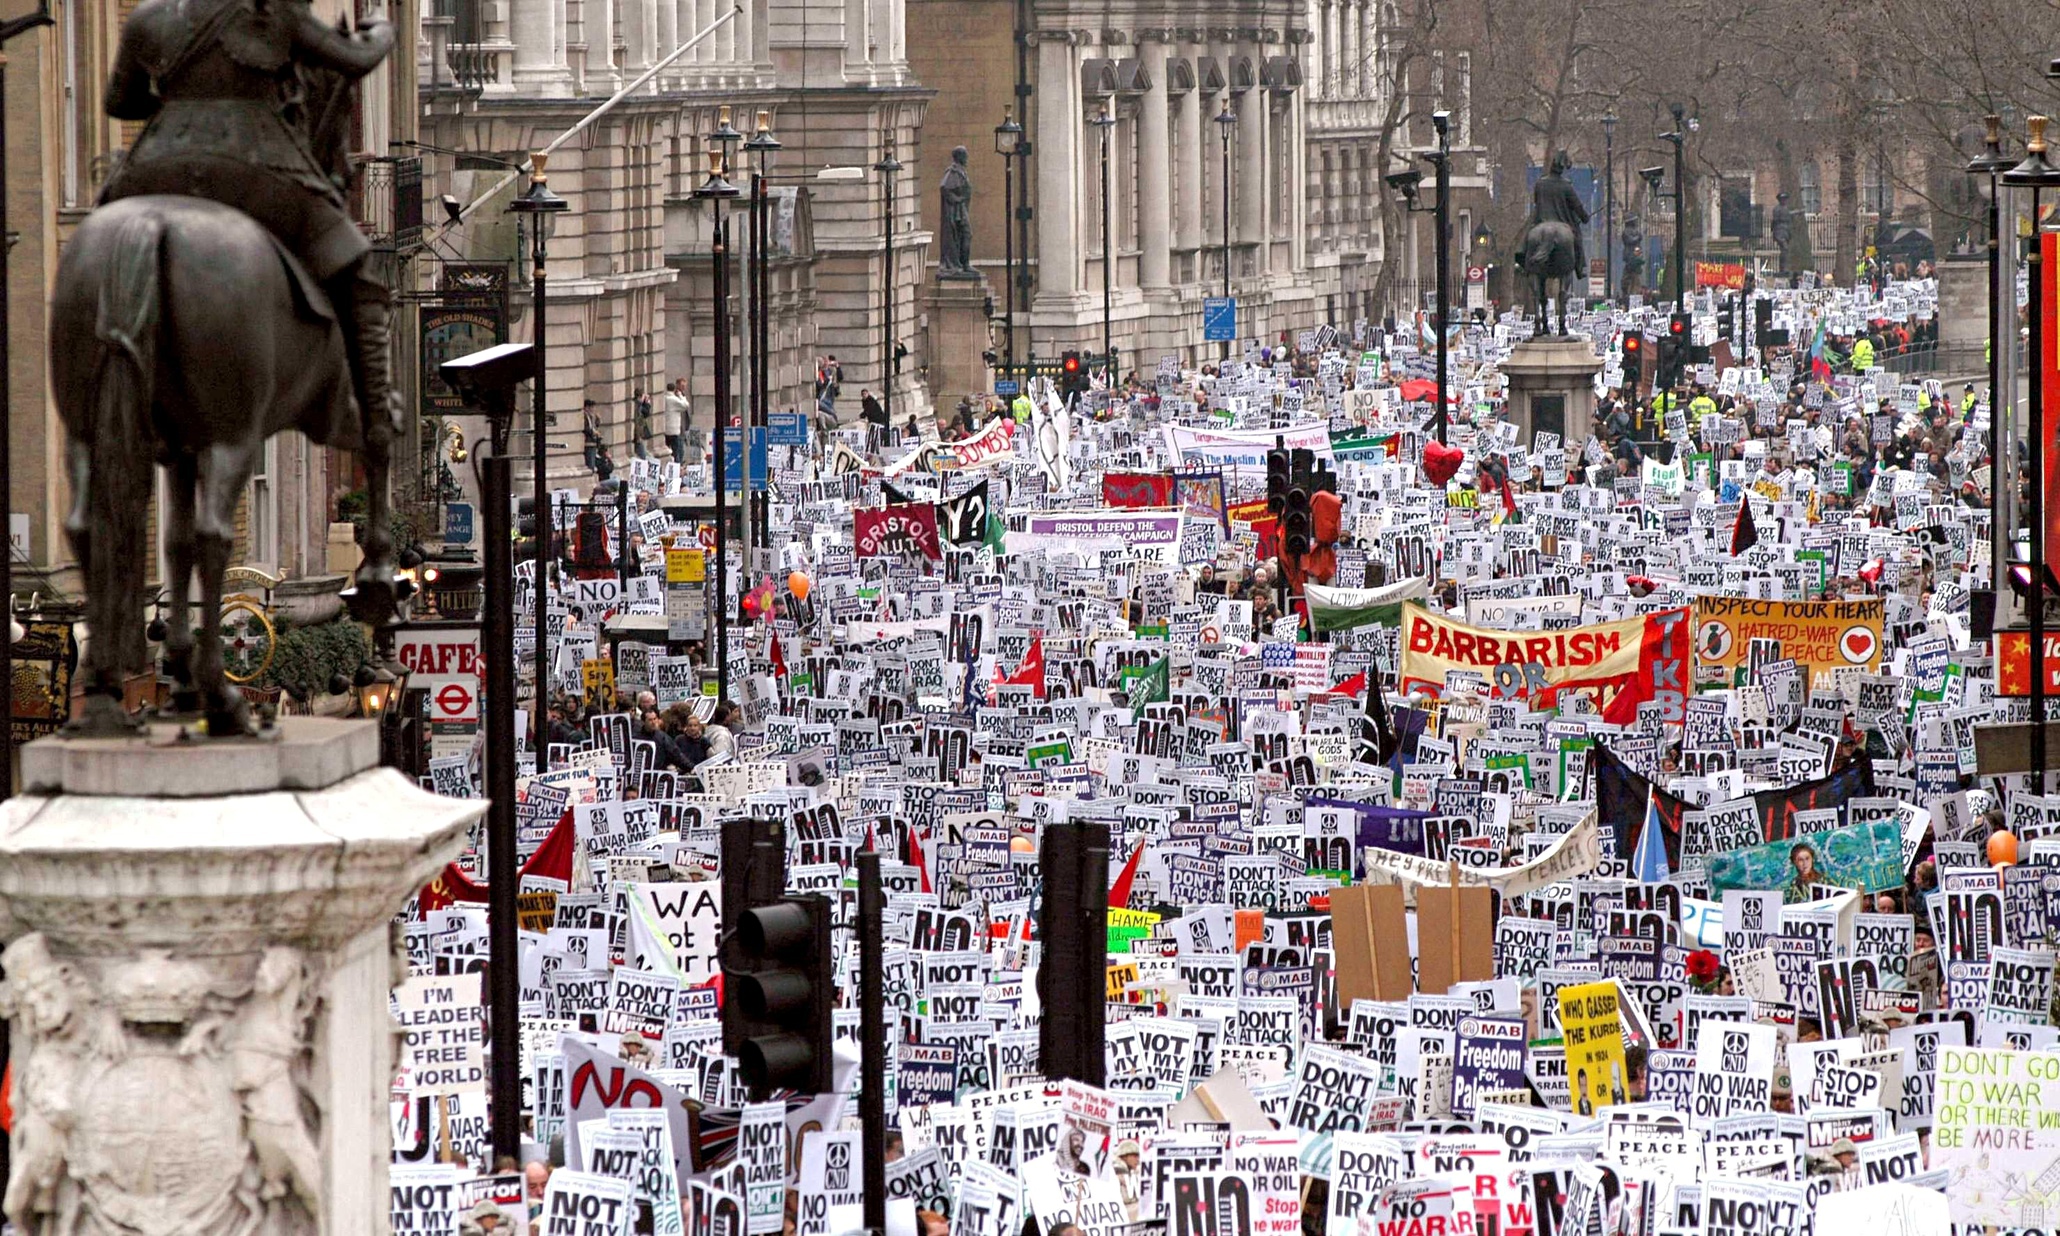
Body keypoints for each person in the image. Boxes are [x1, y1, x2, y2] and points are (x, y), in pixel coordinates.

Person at [99, 0, 401, 434]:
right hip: (254, 169)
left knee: (101, 237)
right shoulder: (272, 13)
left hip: (154, 168)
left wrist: (181, 96)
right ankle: (374, 417)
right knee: (355, 266)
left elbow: (119, 102)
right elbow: (355, 59)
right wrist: (381, 30)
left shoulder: (148, 16)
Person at [663, 378, 691, 462]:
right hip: (675, 428)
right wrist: (680, 396)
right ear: (676, 386)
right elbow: (686, 405)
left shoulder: (669, 397)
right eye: (682, 386)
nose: (684, 388)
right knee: (677, 451)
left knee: (676, 449)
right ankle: (677, 466)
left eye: (685, 386)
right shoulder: (675, 398)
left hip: (678, 427)